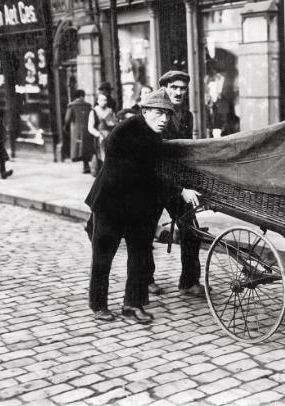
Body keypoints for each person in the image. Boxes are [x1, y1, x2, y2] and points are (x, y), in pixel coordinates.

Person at [85, 88, 201, 323]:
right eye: (159, 113)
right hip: (110, 204)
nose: (164, 119)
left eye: (167, 114)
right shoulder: (126, 132)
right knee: (103, 257)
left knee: (140, 256)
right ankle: (98, 304)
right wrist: (180, 190)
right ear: (145, 111)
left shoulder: (153, 134)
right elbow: (146, 174)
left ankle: (132, 305)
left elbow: (154, 171)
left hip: (137, 207)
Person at [148, 70, 205, 298]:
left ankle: (188, 282)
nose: (179, 92)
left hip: (177, 183)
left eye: (183, 88)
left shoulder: (187, 116)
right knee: (144, 232)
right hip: (154, 180)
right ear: (164, 88)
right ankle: (145, 280)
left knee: (191, 230)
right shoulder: (155, 112)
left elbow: (186, 150)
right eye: (174, 87)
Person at [64, 89, 94, 173]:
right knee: (86, 147)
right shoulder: (88, 106)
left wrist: (66, 127)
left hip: (77, 129)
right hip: (88, 128)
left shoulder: (71, 106)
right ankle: (86, 165)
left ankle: (85, 166)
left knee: (79, 148)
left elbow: (67, 119)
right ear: (82, 96)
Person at [88, 92, 117, 164]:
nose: (104, 102)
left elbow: (114, 124)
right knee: (101, 157)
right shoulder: (94, 111)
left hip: (110, 136)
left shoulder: (110, 111)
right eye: (101, 100)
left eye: (105, 100)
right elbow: (90, 128)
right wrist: (99, 135)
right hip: (99, 137)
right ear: (97, 101)